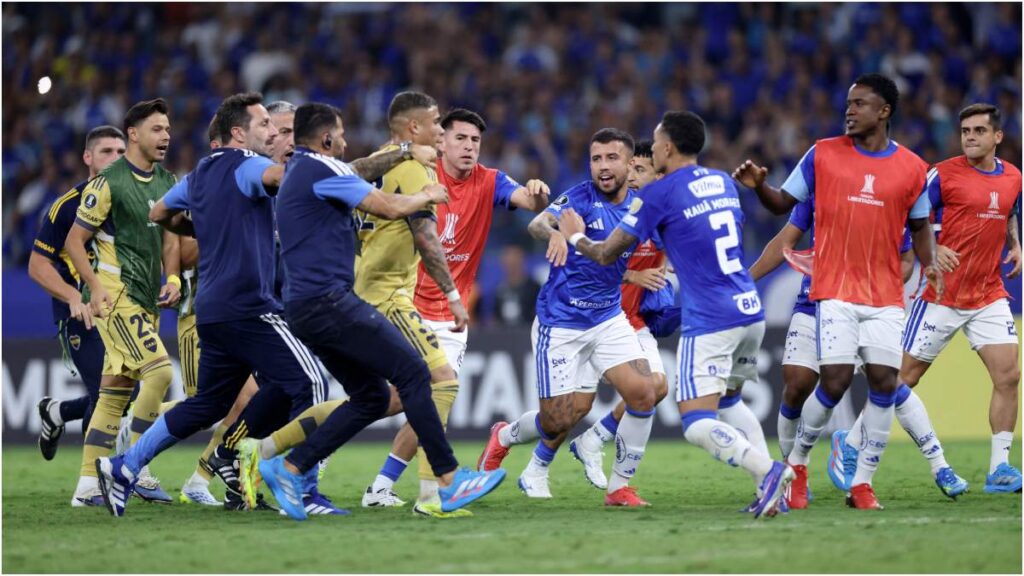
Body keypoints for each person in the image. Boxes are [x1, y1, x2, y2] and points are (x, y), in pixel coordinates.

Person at [252, 101, 506, 521]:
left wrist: (406, 151)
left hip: (303, 305)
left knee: (370, 397)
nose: (347, 141)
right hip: (331, 300)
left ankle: (290, 466)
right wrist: (425, 194)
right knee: (415, 374)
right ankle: (447, 478)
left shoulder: (300, 169)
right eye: (342, 134)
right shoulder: (325, 168)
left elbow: (358, 170)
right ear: (327, 138)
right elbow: (387, 205)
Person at [93, 92, 328, 517]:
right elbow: (283, 179)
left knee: (208, 404)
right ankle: (302, 487)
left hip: (212, 310)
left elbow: (159, 212)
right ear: (239, 133)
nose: (271, 132)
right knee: (312, 384)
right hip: (249, 305)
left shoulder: (199, 173)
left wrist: (193, 223)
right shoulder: (248, 164)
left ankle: (124, 466)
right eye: (263, 126)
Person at [559, 112, 794, 518]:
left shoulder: (659, 195)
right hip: (750, 311)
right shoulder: (722, 181)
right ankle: (770, 495)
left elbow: (604, 253)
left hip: (711, 319)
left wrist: (574, 234)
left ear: (666, 147)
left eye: (653, 142)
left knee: (697, 422)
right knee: (732, 403)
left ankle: (770, 471)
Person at [733, 73, 942, 510]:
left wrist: (931, 264)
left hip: (885, 294)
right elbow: (781, 208)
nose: (849, 110)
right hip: (833, 291)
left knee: (886, 382)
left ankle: (862, 483)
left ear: (883, 111)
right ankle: (800, 462)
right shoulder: (823, 155)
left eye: (860, 104)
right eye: (848, 103)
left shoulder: (912, 169)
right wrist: (759, 189)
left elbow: (920, 228)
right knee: (832, 380)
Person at [362, 107, 549, 512]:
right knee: (402, 398)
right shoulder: (419, 174)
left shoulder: (490, 180)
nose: (468, 147)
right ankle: (429, 492)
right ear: (441, 141)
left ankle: (381, 486)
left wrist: (537, 192)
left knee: (418, 401)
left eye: (475, 141)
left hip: (452, 316)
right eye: (460, 138)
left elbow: (528, 200)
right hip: (408, 306)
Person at [834, 103, 1021, 495]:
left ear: (997, 137)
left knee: (1009, 375)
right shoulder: (943, 175)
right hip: (941, 295)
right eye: (965, 130)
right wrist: (932, 248)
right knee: (901, 378)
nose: (970, 137)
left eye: (979, 131)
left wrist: (1016, 245)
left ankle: (1000, 468)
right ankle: (850, 444)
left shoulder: (1013, 178)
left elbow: (1006, 212)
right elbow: (909, 216)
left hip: (988, 294)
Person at [478, 128, 659, 508]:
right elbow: (537, 222)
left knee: (644, 392)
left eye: (612, 158)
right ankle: (505, 436)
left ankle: (618, 488)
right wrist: (555, 234)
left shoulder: (644, 206)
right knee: (562, 417)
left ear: (630, 164)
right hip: (561, 322)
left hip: (608, 319)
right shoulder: (579, 197)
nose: (603, 167)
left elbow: (620, 253)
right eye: (596, 159)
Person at [748, 193, 918, 506]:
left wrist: (887, 284)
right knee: (797, 384)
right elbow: (784, 242)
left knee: (880, 383)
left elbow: (907, 255)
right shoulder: (822, 189)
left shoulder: (889, 193)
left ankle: (863, 483)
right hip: (815, 303)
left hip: (869, 306)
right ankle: (793, 470)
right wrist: (746, 280)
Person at [64, 99, 181, 507]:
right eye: (156, 129)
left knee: (113, 393)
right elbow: (73, 242)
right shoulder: (108, 182)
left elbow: (171, 239)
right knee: (161, 373)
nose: (166, 136)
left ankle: (86, 486)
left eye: (167, 129)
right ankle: (136, 463)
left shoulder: (168, 181)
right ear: (133, 134)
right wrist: (94, 288)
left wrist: (172, 276)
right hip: (115, 297)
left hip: (147, 299)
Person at [566, 140, 670, 490]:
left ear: (659, 175)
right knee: (569, 411)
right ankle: (507, 439)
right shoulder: (617, 214)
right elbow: (595, 258)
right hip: (595, 318)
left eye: (642, 170)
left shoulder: (661, 217)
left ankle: (595, 441)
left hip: (631, 322)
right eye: (633, 169)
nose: (634, 177)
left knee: (656, 387)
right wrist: (635, 276)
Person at [32, 125, 125, 472]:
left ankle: (56, 412)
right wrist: (73, 295)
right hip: (81, 313)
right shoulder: (66, 207)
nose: (115, 159)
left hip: (121, 310)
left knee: (123, 391)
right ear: (88, 157)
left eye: (120, 152)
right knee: (106, 395)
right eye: (106, 152)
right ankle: (94, 479)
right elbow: (37, 265)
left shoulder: (134, 199)